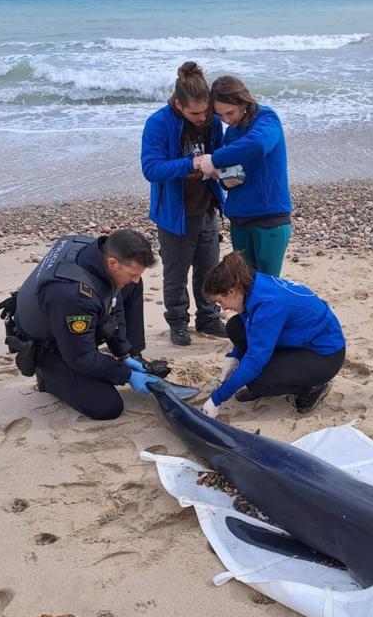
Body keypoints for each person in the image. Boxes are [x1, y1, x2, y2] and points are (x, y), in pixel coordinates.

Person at [6, 230, 161, 420]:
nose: (136, 278)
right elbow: (82, 358)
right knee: (107, 406)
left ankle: (134, 357)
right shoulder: (74, 296)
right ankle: (48, 376)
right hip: (47, 343)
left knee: (131, 285)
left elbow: (113, 297)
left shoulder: (99, 251)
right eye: (132, 273)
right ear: (112, 263)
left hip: (61, 313)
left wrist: (124, 352)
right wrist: (126, 375)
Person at [141, 61, 229, 348]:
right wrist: (191, 163)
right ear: (178, 104)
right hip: (173, 213)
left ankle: (208, 318)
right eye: (195, 112)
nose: (203, 117)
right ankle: (178, 323)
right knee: (175, 273)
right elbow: (151, 169)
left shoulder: (212, 121)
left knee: (208, 268)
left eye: (206, 110)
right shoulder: (158, 123)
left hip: (207, 206)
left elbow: (221, 156)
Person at [200, 252, 345, 417]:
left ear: (232, 291)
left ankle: (314, 386)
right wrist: (235, 355)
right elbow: (247, 322)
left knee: (256, 379)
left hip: (325, 355)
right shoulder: (250, 284)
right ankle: (272, 379)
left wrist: (217, 398)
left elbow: (255, 360)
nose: (223, 308)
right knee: (235, 327)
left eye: (220, 301)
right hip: (297, 338)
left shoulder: (269, 306)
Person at [197, 76, 292, 277]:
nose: (227, 120)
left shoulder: (267, 119)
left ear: (243, 101)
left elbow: (258, 145)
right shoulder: (231, 132)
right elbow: (232, 173)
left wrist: (215, 159)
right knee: (243, 285)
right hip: (240, 216)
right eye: (220, 116)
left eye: (229, 112)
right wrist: (224, 178)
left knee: (267, 287)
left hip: (270, 216)